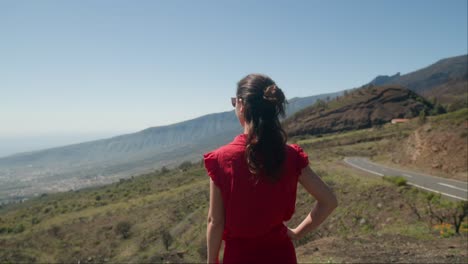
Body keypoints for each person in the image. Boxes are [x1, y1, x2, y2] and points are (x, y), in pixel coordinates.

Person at [203, 73, 338, 264]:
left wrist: (212, 261)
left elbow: (215, 222)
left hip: (240, 257)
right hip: (282, 254)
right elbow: (329, 201)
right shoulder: (290, 155)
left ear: (241, 104)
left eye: (234, 102)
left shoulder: (221, 159)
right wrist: (298, 233)